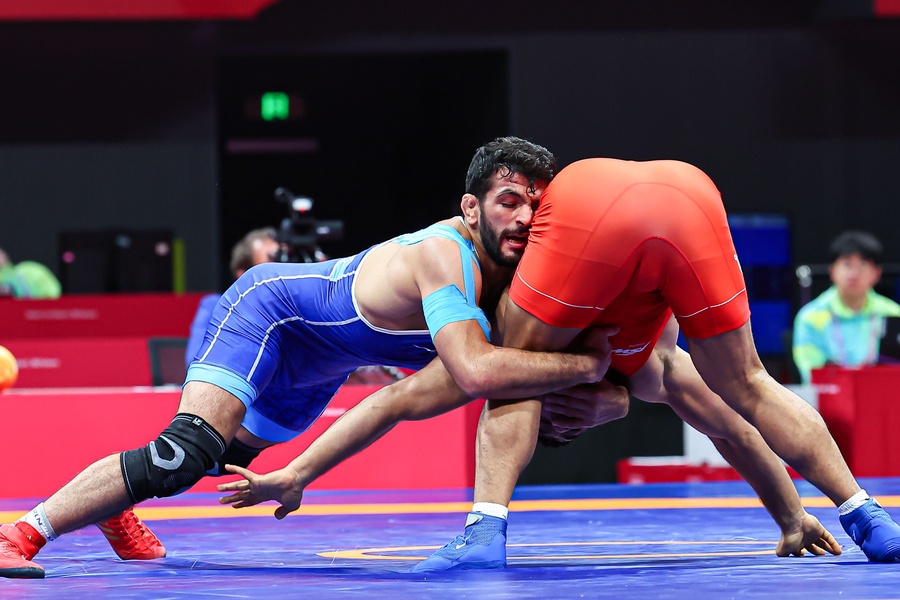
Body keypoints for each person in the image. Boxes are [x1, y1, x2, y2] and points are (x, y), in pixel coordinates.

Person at [0, 136, 620, 579]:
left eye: (536, 205)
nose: (524, 216)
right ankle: (19, 533)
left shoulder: (521, 286)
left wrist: (608, 395)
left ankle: (116, 506)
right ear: (470, 207)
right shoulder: (444, 257)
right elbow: (478, 372)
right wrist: (586, 369)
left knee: (220, 465)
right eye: (509, 200)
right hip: (273, 311)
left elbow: (393, 402)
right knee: (180, 455)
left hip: (321, 360)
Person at [215, 155, 859, 563]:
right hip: (667, 214)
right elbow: (731, 425)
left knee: (508, 380)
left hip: (618, 219)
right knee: (743, 385)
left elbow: (392, 403)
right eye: (576, 425)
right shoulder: (640, 360)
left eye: (568, 424)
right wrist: (789, 514)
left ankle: (486, 529)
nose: (576, 423)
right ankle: (858, 507)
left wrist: (297, 473)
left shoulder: (520, 333)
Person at [792, 230, 900, 384]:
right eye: (847, 264)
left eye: (863, 265)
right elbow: (811, 375)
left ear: (876, 273)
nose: (854, 273)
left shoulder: (893, 314)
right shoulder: (810, 317)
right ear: (832, 271)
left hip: (882, 400)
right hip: (828, 403)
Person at [185, 227, 281, 368]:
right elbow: (195, 363)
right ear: (244, 275)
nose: (283, 270)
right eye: (272, 258)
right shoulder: (215, 306)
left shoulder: (298, 309)